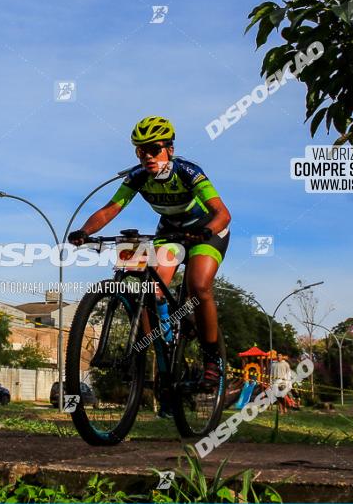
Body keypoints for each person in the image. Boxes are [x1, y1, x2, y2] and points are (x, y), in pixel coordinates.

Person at [68, 116, 231, 391]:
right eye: (140, 151)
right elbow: (111, 208)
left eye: (153, 149)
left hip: (207, 232)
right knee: (151, 289)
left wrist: (206, 232)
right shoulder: (139, 176)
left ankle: (212, 357)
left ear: (169, 149)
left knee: (198, 286)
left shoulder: (188, 173)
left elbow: (222, 214)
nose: (147, 156)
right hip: (171, 233)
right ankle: (160, 347)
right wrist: (84, 231)